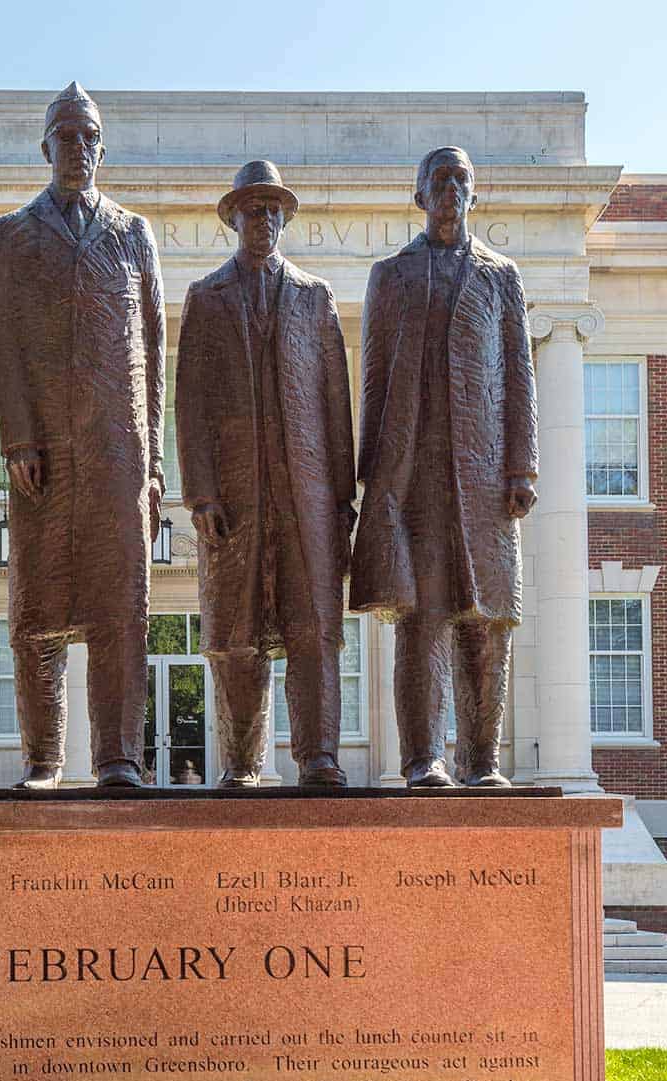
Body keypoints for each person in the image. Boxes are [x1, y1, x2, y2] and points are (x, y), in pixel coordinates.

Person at [0, 82, 167, 789]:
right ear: (46, 148)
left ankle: (118, 755)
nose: (79, 149)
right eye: (67, 137)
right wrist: (18, 440)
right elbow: (3, 343)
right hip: (44, 456)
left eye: (89, 137)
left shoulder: (132, 233)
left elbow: (152, 350)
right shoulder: (14, 233)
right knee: (36, 611)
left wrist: (154, 466)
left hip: (119, 452)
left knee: (121, 608)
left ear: (101, 148)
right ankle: (42, 759)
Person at [349, 146, 539, 788]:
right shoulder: (391, 276)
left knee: (486, 622)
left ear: (474, 196)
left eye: (462, 179)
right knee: (421, 619)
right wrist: (371, 480)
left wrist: (524, 467)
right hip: (414, 475)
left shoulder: (501, 275)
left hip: (486, 477)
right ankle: (422, 759)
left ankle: (481, 763)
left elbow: (519, 371)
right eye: (440, 180)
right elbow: (373, 376)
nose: (451, 189)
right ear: (420, 196)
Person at [176, 160, 356, 787]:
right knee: (235, 633)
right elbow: (189, 402)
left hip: (306, 497)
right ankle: (243, 765)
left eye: (274, 209)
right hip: (233, 495)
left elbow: (336, 405)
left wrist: (342, 500)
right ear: (234, 219)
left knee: (315, 629)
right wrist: (199, 492)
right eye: (254, 210)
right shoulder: (206, 297)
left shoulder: (314, 297)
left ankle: (318, 756)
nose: (265, 220)